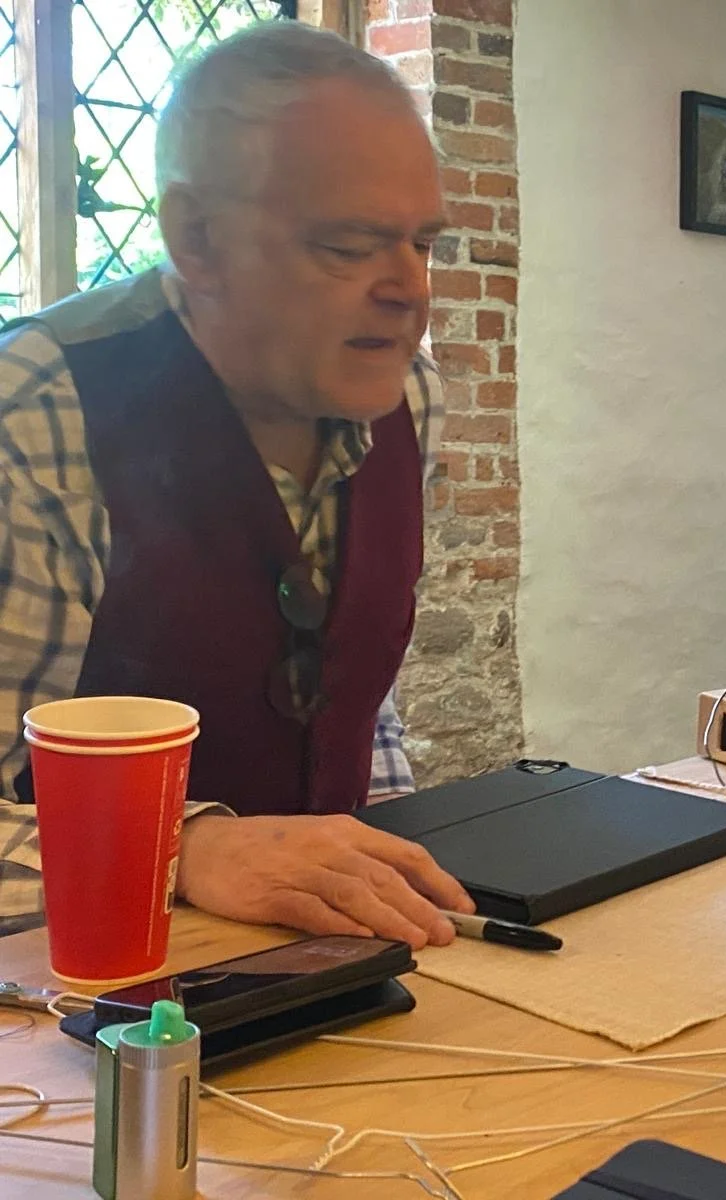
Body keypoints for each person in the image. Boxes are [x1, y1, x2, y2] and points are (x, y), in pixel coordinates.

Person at [0, 22, 476, 944]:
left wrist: (378, 870)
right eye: (349, 246)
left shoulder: (405, 397)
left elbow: (354, 707)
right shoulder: (38, 417)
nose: (411, 288)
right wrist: (186, 849)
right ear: (198, 239)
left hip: (320, 981)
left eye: (425, 244)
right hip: (68, 1019)